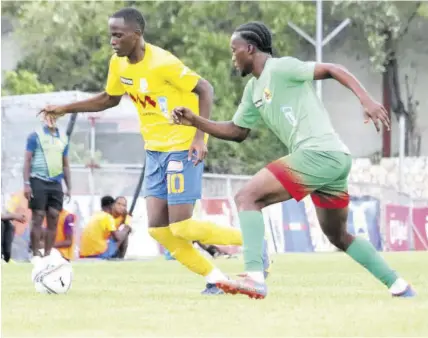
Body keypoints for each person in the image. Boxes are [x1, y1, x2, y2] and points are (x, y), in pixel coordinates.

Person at [171, 21, 416, 299]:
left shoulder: (281, 67)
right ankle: (401, 287)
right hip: (333, 161)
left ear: (250, 49)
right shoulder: (253, 90)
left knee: (247, 196)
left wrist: (367, 101)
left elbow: (334, 69)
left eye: (234, 50)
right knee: (338, 236)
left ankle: (254, 277)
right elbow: (237, 132)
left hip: (318, 153)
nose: (232, 57)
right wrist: (196, 121)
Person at [40, 8, 270, 294]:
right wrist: (63, 109)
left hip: (182, 148)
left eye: (118, 35)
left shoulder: (162, 62)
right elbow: (108, 99)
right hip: (155, 152)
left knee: (182, 227)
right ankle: (216, 279)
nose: (112, 41)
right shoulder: (118, 64)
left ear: (136, 35)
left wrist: (200, 138)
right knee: (159, 230)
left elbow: (205, 89)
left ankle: (253, 240)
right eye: (111, 34)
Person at [24, 119, 71, 270]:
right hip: (38, 180)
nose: (52, 119)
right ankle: (36, 254)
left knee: (53, 216)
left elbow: (65, 164)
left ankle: (48, 254)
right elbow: (27, 160)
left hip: (55, 182)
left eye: (55, 116)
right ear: (44, 118)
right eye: (49, 116)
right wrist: (26, 183)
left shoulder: (63, 138)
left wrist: (69, 186)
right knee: (38, 216)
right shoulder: (35, 136)